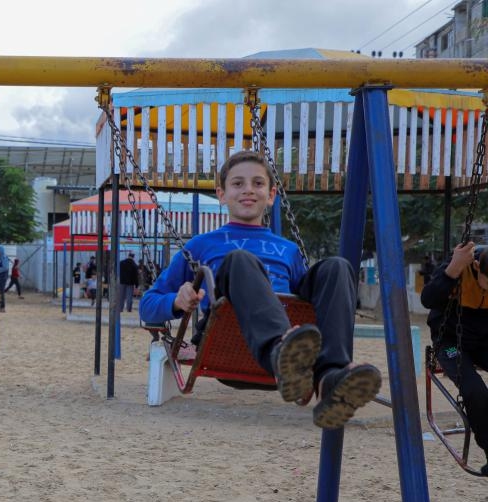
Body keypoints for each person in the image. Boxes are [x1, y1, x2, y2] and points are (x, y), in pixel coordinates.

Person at [139, 149, 382, 429]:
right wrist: (176, 301)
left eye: (258, 183)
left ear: (271, 195)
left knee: (338, 267)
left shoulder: (289, 250)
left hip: (292, 350)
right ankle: (281, 354)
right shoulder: (200, 245)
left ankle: (329, 378)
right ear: (221, 193)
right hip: (229, 340)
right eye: (238, 183)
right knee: (240, 259)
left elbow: (305, 302)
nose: (248, 191)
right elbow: (148, 304)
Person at [421, 241, 488, 474]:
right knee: (475, 390)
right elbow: (427, 299)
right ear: (478, 267)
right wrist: (453, 270)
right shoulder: (459, 262)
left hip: (484, 341)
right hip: (451, 342)